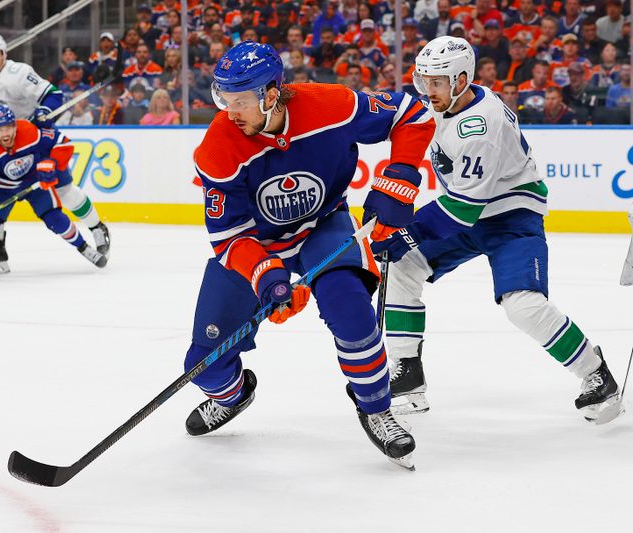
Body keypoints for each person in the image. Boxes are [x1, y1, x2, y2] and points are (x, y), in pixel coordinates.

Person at [183, 41, 434, 468]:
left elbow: (412, 114)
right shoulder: (218, 148)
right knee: (204, 363)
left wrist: (402, 175)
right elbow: (228, 239)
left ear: (270, 93)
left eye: (240, 100)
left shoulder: (331, 105)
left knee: (352, 313)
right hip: (257, 247)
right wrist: (266, 274)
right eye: (224, 99)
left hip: (324, 225)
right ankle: (233, 393)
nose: (230, 111)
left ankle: (376, 409)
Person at [373, 36, 623, 424]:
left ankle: (595, 372)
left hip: (510, 216)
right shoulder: (455, 99)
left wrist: (406, 231)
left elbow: (461, 209)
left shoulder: (479, 127)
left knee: (522, 305)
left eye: (435, 82)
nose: (427, 90)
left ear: (460, 80)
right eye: (423, 80)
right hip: (471, 210)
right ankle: (408, 375)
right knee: (405, 266)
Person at [0, 34, 110, 264]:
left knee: (64, 189)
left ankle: (96, 226)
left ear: (4, 55)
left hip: (35, 142)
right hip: (5, 147)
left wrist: (43, 112)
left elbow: (54, 95)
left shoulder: (19, 73)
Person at [0, 105, 106, 273]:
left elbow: (63, 143)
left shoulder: (28, 132)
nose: (5, 134)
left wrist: (52, 163)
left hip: (33, 183)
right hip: (4, 189)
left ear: (15, 125)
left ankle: (83, 247)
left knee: (55, 219)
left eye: (9, 128)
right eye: (0, 129)